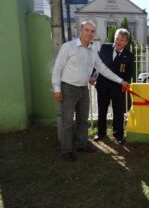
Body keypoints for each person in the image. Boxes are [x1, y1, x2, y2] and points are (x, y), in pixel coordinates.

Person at [52, 21, 129, 162]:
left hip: (83, 89)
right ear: (80, 31)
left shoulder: (92, 52)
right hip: (68, 88)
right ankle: (67, 150)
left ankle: (81, 144)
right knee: (68, 122)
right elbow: (57, 68)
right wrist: (56, 88)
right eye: (87, 30)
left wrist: (121, 81)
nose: (89, 33)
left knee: (83, 120)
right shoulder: (67, 47)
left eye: (92, 31)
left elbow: (103, 69)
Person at [93, 28, 134, 145]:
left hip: (117, 88)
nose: (118, 41)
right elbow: (97, 64)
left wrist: (126, 82)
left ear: (126, 42)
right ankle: (101, 133)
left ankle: (119, 135)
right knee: (102, 111)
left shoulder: (129, 55)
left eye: (121, 40)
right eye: (117, 38)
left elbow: (129, 72)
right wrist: (93, 76)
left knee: (118, 113)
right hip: (102, 85)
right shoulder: (105, 48)